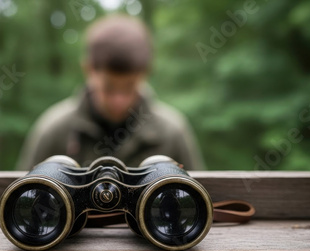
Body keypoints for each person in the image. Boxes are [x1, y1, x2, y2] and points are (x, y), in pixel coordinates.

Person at [16, 14, 205, 170]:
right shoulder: (53, 131)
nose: (119, 100)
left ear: (145, 73)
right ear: (89, 69)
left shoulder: (172, 132)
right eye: (109, 88)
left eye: (129, 87)